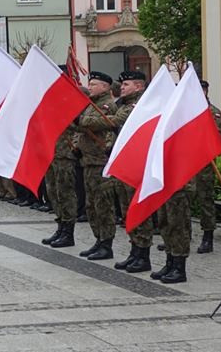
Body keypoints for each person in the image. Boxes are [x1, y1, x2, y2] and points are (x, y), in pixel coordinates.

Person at [110, 71, 154, 273]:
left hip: (137, 165)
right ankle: (134, 251)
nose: (122, 87)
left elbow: (116, 121)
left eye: (126, 84)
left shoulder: (141, 105)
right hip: (125, 162)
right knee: (127, 210)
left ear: (138, 86)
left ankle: (143, 254)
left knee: (138, 210)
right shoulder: (123, 104)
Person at [74, 71, 118, 260]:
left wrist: (80, 121)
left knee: (103, 205)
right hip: (89, 161)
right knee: (91, 205)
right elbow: (82, 125)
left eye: (94, 84)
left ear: (105, 87)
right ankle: (98, 239)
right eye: (89, 84)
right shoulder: (92, 105)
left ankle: (107, 244)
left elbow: (95, 123)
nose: (90, 86)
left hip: (101, 161)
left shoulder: (108, 105)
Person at [192, 79, 221, 254]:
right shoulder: (186, 111)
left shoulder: (213, 113)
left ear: (204, 92)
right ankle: (184, 235)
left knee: (205, 200)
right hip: (187, 163)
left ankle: (208, 237)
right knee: (184, 200)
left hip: (204, 164)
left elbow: (216, 139)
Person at [41, 123, 78, 248]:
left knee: (65, 193)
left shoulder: (70, 108)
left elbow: (80, 127)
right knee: (53, 192)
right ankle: (61, 227)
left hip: (65, 155)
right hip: (52, 153)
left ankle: (68, 232)